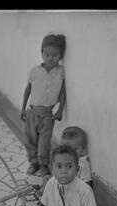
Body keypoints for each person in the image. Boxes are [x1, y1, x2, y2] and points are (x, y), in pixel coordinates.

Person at [21, 33, 67, 177]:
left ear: (60, 56)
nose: (50, 57)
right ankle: (33, 163)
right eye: (47, 54)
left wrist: (60, 110)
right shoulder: (34, 71)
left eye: (55, 55)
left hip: (48, 116)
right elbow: (27, 89)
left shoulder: (61, 72)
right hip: (32, 113)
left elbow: (63, 92)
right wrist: (23, 108)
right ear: (42, 53)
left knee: (44, 143)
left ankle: (43, 164)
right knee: (30, 140)